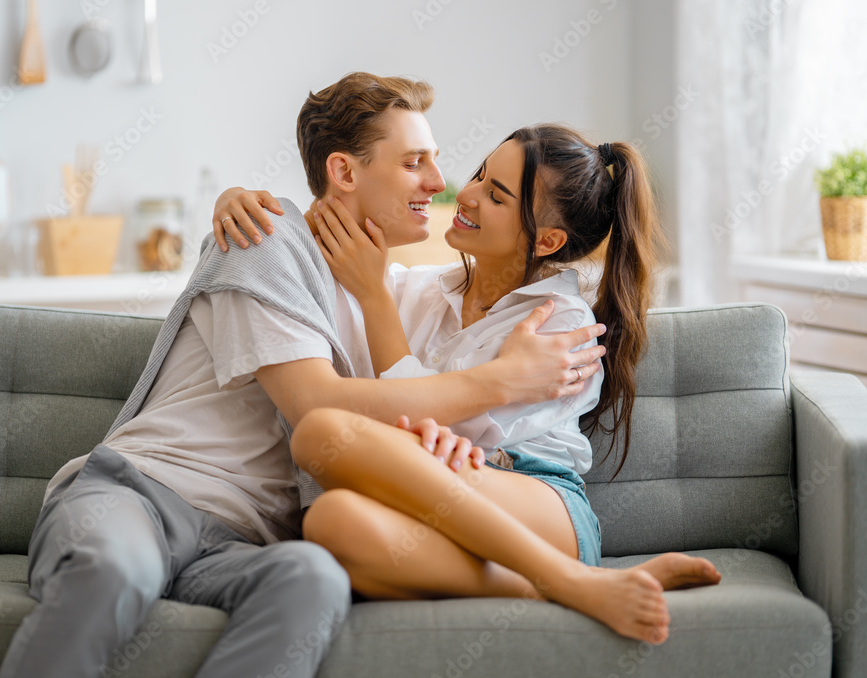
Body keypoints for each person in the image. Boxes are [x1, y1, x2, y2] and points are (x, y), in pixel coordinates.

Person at [0, 73, 608, 678]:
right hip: (146, 494)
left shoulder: (391, 293)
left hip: (249, 540)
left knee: (315, 577)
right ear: (345, 173)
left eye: (440, 163)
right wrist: (501, 380)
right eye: (414, 162)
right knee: (114, 567)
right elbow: (317, 407)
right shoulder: (266, 238)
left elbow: (407, 404)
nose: (441, 185)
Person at [214, 124, 723, 645]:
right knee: (330, 521)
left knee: (321, 433)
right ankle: (579, 587)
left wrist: (375, 302)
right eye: (480, 175)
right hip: (440, 509)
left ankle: (568, 574)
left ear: (547, 240)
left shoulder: (561, 325)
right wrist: (241, 202)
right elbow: (323, 250)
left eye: (496, 195)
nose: (467, 193)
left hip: (535, 501)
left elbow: (438, 422)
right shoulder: (422, 289)